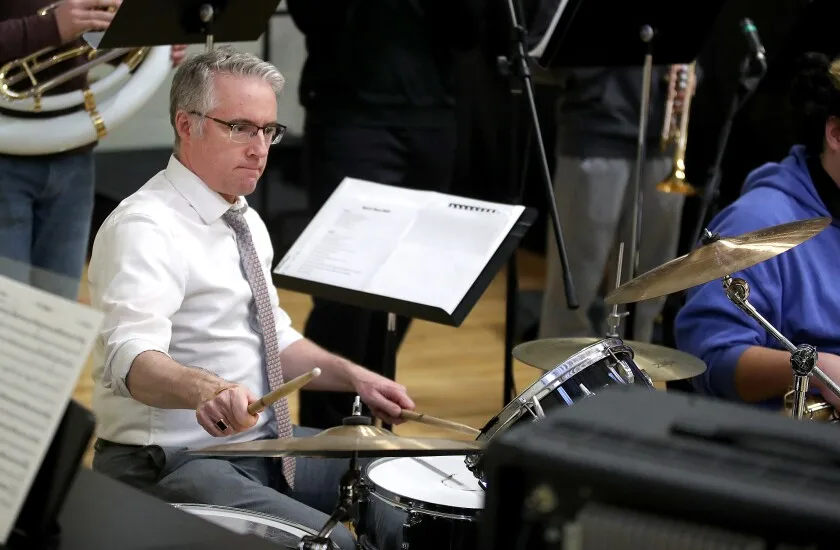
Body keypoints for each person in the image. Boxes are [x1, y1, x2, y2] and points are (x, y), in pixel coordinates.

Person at [87, 46, 415, 550]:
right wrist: (204, 391)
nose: (260, 148)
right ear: (187, 124)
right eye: (240, 127)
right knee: (333, 547)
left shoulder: (244, 217)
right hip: (168, 462)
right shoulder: (145, 226)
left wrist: (355, 377)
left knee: (401, 486)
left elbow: (272, 337)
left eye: (268, 130)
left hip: (259, 448)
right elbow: (130, 358)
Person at [286, 0, 484, 429]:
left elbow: (471, 31)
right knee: (343, 286)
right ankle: (328, 435)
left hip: (432, 117)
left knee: (409, 281)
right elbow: (313, 15)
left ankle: (372, 407)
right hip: (350, 115)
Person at [675, 51, 840, 412]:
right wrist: (819, 369)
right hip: (781, 451)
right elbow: (709, 360)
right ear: (835, 134)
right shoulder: (759, 221)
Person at [0, 0, 187, 301]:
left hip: (73, 155)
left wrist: (141, 48)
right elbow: (56, 29)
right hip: (6, 156)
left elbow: (90, 40)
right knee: (7, 316)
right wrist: (50, 27)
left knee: (57, 310)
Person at [538, 67, 689, 343]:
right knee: (575, 279)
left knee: (651, 278)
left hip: (662, 142)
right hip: (597, 131)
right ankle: (561, 375)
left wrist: (690, 76)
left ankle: (632, 367)